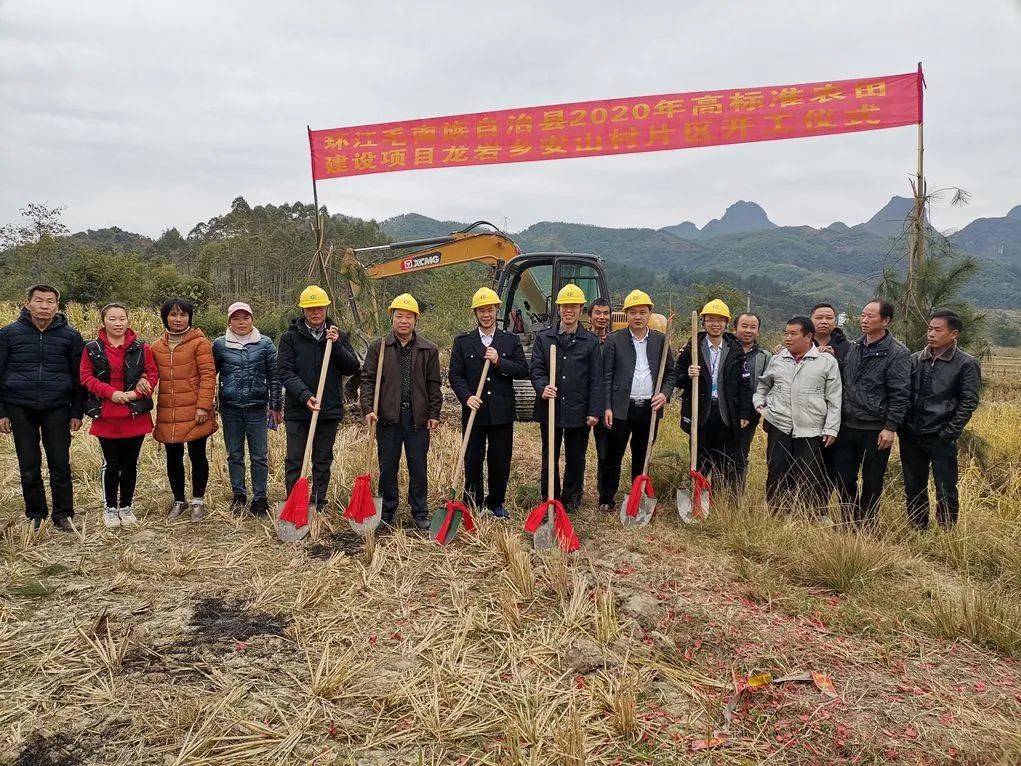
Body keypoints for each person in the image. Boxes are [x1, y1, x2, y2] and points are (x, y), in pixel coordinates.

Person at [0, 285, 85, 531]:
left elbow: (79, 377)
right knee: (28, 464)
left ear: (57, 306)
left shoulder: (70, 336)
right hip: (20, 406)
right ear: (28, 304)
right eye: (39, 301)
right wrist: (2, 411)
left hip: (57, 406)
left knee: (60, 462)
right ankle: (36, 513)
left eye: (50, 302)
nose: (45, 306)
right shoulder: (8, 334)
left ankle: (63, 514)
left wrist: (76, 412)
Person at [361, 294, 441, 530]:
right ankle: (387, 510)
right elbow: (367, 380)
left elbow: (433, 384)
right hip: (387, 417)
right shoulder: (379, 347)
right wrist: (368, 408)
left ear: (416, 319)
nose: (403, 321)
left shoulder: (429, 349)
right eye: (399, 316)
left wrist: (434, 413)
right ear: (392, 319)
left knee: (418, 466)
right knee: (388, 467)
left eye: (408, 316)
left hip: (417, 418)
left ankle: (419, 511)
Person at [277, 286, 360, 513]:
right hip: (298, 409)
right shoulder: (290, 338)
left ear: (326, 308)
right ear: (303, 310)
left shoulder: (338, 336)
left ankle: (318, 502)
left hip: (328, 408)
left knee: (322, 459)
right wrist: (305, 396)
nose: (316, 313)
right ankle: (295, 502)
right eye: (311, 309)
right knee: (295, 458)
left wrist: (337, 346)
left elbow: (352, 367)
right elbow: (284, 372)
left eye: (320, 308)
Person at [448, 288, 529, 518]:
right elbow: (455, 375)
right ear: (476, 312)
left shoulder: (509, 340)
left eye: (490, 310)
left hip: (501, 412)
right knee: (472, 458)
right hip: (474, 411)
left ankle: (495, 503)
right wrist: (467, 397)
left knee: (499, 459)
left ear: (497, 311)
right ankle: (473, 502)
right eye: (482, 310)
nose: (486, 314)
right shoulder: (463, 342)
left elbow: (523, 370)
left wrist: (498, 361)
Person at [830, 298, 911, 529]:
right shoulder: (855, 347)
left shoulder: (897, 353)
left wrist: (891, 426)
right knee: (844, 477)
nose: (864, 320)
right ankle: (849, 521)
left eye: (870, 316)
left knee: (872, 480)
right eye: (863, 315)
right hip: (847, 425)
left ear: (885, 321)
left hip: (876, 427)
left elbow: (900, 392)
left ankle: (867, 523)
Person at [900, 310, 981, 530]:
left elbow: (968, 401)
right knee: (913, 485)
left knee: (945, 487)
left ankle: (946, 533)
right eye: (929, 329)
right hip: (911, 432)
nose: (931, 334)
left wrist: (948, 432)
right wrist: (903, 425)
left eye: (938, 330)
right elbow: (903, 393)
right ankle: (917, 528)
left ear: (953, 334)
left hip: (940, 435)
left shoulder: (965, 363)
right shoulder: (916, 359)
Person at [80, 303, 158, 528]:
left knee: (131, 462)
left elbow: (152, 374)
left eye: (122, 318)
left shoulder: (140, 347)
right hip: (107, 412)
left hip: (135, 413)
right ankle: (110, 508)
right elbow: (86, 377)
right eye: (112, 319)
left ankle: (126, 506)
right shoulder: (92, 347)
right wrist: (110, 393)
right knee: (111, 463)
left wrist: (135, 393)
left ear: (128, 320)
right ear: (103, 321)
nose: (118, 323)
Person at [754, 316, 842, 515]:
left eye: (793, 334)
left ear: (809, 336)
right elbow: (765, 387)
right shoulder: (778, 359)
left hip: (811, 429)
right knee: (777, 473)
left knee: (809, 476)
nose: (787, 338)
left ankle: (806, 518)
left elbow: (834, 398)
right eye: (786, 333)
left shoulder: (826, 361)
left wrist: (831, 428)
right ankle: (776, 516)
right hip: (780, 428)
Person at [529, 283, 602, 513]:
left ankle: (571, 499)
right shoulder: (544, 338)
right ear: (558, 309)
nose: (568, 310)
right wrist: (542, 387)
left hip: (578, 409)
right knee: (549, 454)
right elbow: (536, 369)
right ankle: (550, 495)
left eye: (573, 306)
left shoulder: (589, 342)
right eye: (564, 306)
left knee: (576, 457)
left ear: (581, 309)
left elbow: (596, 379)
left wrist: (594, 411)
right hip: (550, 408)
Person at [600, 290, 674, 510]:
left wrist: (665, 394)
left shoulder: (661, 341)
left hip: (649, 409)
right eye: (633, 313)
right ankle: (606, 498)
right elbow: (606, 376)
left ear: (650, 314)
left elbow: (670, 373)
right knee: (613, 455)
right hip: (622, 407)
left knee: (642, 455)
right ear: (626, 315)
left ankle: (637, 495)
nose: (638, 317)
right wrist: (607, 406)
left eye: (642, 312)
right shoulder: (615, 340)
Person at [212, 302, 283, 516]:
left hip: (257, 408)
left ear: (252, 319)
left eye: (245, 318)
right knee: (234, 454)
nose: (241, 322)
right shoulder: (220, 345)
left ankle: (260, 498)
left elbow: (274, 377)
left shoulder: (265, 344)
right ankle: (239, 495)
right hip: (231, 408)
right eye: (236, 318)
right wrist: (209, 404)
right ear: (229, 321)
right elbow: (209, 375)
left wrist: (276, 405)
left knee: (259, 456)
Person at [151, 297, 218, 521]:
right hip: (168, 410)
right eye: (173, 314)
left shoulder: (200, 343)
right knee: (173, 456)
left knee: (197, 455)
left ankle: (198, 500)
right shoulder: (156, 346)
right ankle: (179, 500)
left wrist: (203, 406)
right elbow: (149, 375)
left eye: (183, 315)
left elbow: (208, 376)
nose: (178, 319)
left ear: (189, 317)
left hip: (194, 409)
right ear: (165, 318)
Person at [676, 299, 751, 494]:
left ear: (727, 323)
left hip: (726, 412)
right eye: (710, 320)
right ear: (703, 322)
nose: (715, 324)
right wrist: (688, 375)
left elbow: (744, 384)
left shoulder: (735, 349)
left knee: (724, 460)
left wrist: (744, 413)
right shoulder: (693, 346)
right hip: (701, 411)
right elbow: (677, 378)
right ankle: (697, 496)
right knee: (700, 457)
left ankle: (718, 499)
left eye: (720, 320)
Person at [734, 312, 770, 491]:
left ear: (758, 331)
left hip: (749, 415)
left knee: (741, 455)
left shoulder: (765, 357)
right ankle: (715, 495)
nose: (748, 330)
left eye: (753, 327)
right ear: (735, 328)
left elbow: (769, 386)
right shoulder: (725, 349)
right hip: (723, 411)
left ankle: (734, 499)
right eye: (744, 326)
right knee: (719, 455)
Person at [588, 297, 613, 511]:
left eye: (605, 313)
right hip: (583, 403)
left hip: (605, 404)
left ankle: (605, 495)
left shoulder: (615, 342)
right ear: (590, 316)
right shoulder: (583, 339)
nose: (602, 317)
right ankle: (572, 492)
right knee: (575, 451)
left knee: (605, 451)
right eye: (598, 313)